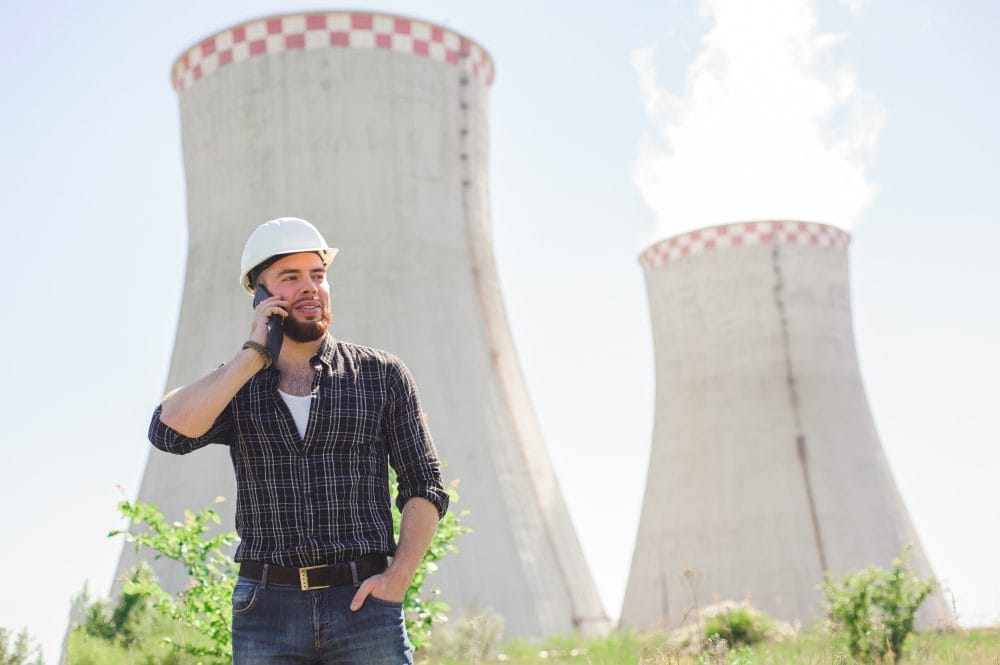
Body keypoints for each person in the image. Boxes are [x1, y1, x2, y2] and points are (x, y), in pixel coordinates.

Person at [148, 217, 449, 664]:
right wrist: (252, 357)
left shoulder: (382, 375)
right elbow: (167, 432)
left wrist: (397, 580)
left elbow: (425, 484)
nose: (311, 287)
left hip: (364, 605)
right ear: (261, 295)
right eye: (290, 278)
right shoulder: (236, 384)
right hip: (266, 610)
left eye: (318, 275)